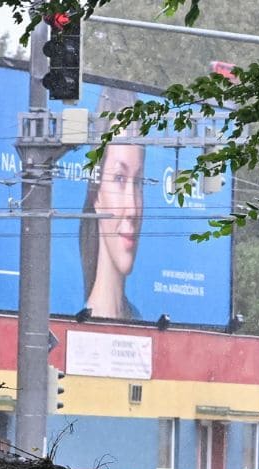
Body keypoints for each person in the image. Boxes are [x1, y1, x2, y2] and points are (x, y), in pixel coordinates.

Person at [78, 88, 145, 321]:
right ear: (96, 194)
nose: (133, 210)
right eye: (119, 178)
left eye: (139, 182)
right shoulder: (72, 323)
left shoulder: (141, 319)